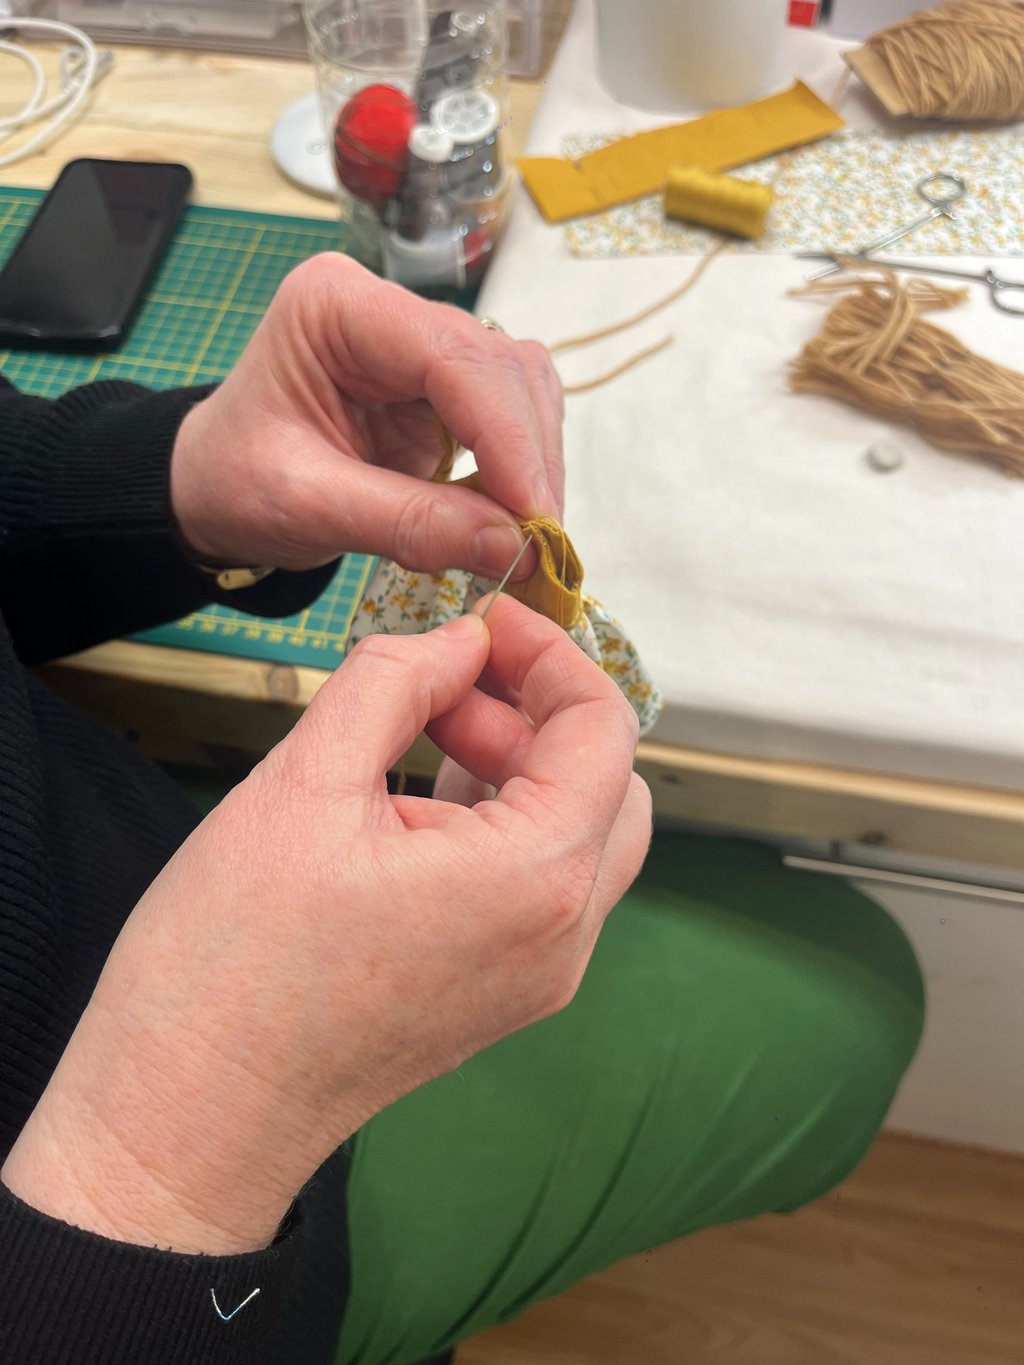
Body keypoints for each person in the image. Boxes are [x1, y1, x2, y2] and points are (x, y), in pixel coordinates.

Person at [0, 253, 924, 1365]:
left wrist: (168, 478)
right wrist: (181, 1151)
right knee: (856, 995)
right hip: (194, 1265)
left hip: (117, 839)